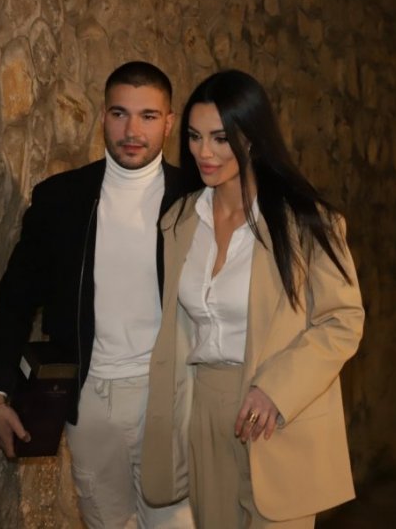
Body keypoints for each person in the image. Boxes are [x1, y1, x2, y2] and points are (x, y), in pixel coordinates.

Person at [140, 70, 365, 528]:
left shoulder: (307, 221)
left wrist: (276, 390)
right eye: (195, 137)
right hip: (204, 412)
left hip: (280, 415)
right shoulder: (179, 220)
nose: (204, 152)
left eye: (221, 138)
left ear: (252, 138)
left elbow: (342, 320)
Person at [0, 61, 194, 528]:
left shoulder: (196, 198)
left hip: (172, 401)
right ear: (102, 117)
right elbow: (15, 298)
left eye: (148, 116)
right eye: (120, 114)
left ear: (169, 122)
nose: (132, 131)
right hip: (91, 403)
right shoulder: (60, 199)